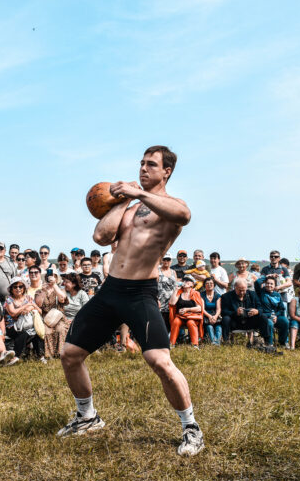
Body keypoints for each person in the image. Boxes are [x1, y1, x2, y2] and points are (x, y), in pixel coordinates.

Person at [59, 145, 204, 456]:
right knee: (70, 354)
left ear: (166, 171)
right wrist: (123, 200)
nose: (143, 168)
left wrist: (138, 193)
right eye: (141, 163)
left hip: (140, 293)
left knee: (160, 361)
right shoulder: (129, 207)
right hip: (111, 290)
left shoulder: (172, 206)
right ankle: (87, 416)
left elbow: (185, 216)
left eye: (151, 164)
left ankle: (191, 428)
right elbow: (101, 237)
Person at [4, 276, 45, 362]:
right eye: (15, 287)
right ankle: (16, 356)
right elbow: (13, 313)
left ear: (24, 288)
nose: (18, 289)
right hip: (12, 326)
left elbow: (40, 311)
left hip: (27, 324)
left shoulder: (28, 298)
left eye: (20, 286)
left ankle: (41, 356)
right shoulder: (9, 300)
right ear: (11, 289)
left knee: (36, 333)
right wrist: (26, 306)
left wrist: (31, 307)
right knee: (24, 334)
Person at [220, 278, 267, 343]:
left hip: (250, 321)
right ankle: (226, 341)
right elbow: (223, 312)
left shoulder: (253, 294)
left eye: (244, 290)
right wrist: (235, 313)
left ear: (246, 288)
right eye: (240, 290)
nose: (242, 293)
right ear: (235, 288)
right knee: (225, 319)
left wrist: (257, 311)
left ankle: (266, 341)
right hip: (235, 322)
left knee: (263, 317)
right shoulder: (226, 296)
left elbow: (261, 308)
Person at [35, 265, 68, 358]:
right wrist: (43, 291)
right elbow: (38, 304)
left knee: (60, 329)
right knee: (46, 331)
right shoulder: (39, 291)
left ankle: (61, 353)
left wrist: (54, 285)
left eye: (54, 276)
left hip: (59, 317)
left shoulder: (61, 290)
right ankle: (49, 355)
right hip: (46, 318)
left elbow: (62, 299)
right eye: (49, 276)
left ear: (57, 279)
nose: (51, 278)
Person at [168, 275, 204, 348]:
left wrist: (187, 309)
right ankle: (172, 344)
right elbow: (172, 303)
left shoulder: (195, 293)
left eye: (188, 280)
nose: (185, 282)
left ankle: (195, 345)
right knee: (176, 322)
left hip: (192, 316)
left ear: (192, 284)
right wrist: (175, 290)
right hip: (180, 316)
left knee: (190, 322)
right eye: (184, 280)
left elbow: (199, 308)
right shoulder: (179, 292)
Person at [258, 275, 288, 347]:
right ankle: (269, 344)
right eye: (267, 283)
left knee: (285, 322)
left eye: (271, 284)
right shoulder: (261, 292)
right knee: (270, 323)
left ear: (275, 285)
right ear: (265, 283)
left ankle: (282, 343)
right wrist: (266, 277)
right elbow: (257, 282)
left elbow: (281, 308)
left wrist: (276, 316)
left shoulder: (277, 295)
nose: (269, 285)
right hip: (264, 317)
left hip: (275, 316)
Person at [157, 255, 179, 331]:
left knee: (170, 319)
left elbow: (176, 286)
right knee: (160, 320)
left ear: (171, 261)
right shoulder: (157, 271)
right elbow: (153, 286)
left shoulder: (173, 272)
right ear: (161, 260)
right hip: (160, 300)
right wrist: (156, 298)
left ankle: (169, 336)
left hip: (171, 300)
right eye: (164, 259)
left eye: (168, 260)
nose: (166, 261)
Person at [201, 277, 222, 345]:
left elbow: (218, 309)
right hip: (206, 315)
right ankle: (213, 342)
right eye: (207, 283)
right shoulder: (201, 295)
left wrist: (215, 316)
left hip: (215, 315)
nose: (209, 285)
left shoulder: (217, 295)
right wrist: (209, 316)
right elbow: (202, 309)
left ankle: (217, 343)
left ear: (214, 285)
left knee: (218, 327)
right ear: (204, 285)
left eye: (211, 283)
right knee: (209, 327)